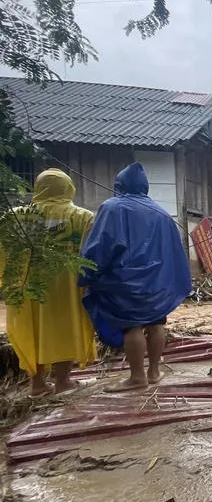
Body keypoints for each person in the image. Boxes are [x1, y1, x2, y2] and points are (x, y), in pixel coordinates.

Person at [80, 163, 191, 392]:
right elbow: (174, 252)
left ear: (119, 185)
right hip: (157, 283)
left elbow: (101, 244)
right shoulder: (162, 213)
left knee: (132, 327)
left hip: (126, 280)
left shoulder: (112, 208)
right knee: (157, 322)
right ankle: (154, 372)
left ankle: (137, 377)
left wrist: (87, 273)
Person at [2, 169, 97, 395]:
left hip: (26, 285)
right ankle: (63, 381)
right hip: (67, 287)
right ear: (68, 187)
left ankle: (37, 384)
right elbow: (92, 253)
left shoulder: (15, 216)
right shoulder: (83, 217)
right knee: (65, 329)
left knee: (31, 330)